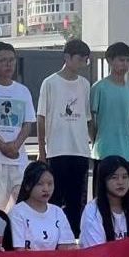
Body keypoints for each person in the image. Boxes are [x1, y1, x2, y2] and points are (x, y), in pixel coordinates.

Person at [37, 39, 92, 235]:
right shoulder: (50, 83)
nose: (83, 63)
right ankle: (52, 236)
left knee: (77, 200)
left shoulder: (85, 84)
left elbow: (87, 118)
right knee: (54, 198)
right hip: (57, 150)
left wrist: (92, 143)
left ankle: (74, 236)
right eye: (80, 58)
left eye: (86, 59)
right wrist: (42, 150)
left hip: (80, 150)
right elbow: (41, 117)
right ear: (67, 57)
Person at [0, 42, 34, 212]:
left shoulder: (23, 91)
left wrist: (15, 146)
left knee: (23, 207)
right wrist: (2, 146)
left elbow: (28, 123)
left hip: (18, 160)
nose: (9, 64)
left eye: (12, 59)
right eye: (3, 60)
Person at [90, 42, 129, 188]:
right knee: (101, 194)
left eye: (128, 60)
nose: (125, 64)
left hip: (126, 152)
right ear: (110, 60)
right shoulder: (99, 87)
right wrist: (96, 141)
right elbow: (91, 120)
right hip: (103, 151)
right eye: (121, 60)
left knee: (125, 194)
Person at [79, 156, 129, 247]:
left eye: (125, 177)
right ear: (103, 180)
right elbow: (96, 250)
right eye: (114, 177)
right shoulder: (92, 211)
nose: (120, 182)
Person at [10, 161, 77, 251]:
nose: (46, 189)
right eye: (40, 184)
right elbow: (19, 250)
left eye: (50, 184)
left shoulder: (57, 212)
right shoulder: (17, 213)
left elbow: (66, 246)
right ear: (27, 186)